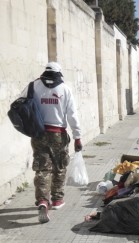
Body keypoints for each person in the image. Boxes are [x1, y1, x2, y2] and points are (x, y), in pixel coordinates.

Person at [22, 62, 83, 223]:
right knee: (59, 166)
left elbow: (21, 103)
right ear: (59, 73)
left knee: (42, 167)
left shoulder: (33, 86)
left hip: (39, 133)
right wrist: (78, 136)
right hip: (58, 134)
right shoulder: (65, 89)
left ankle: (42, 200)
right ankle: (57, 200)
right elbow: (72, 116)